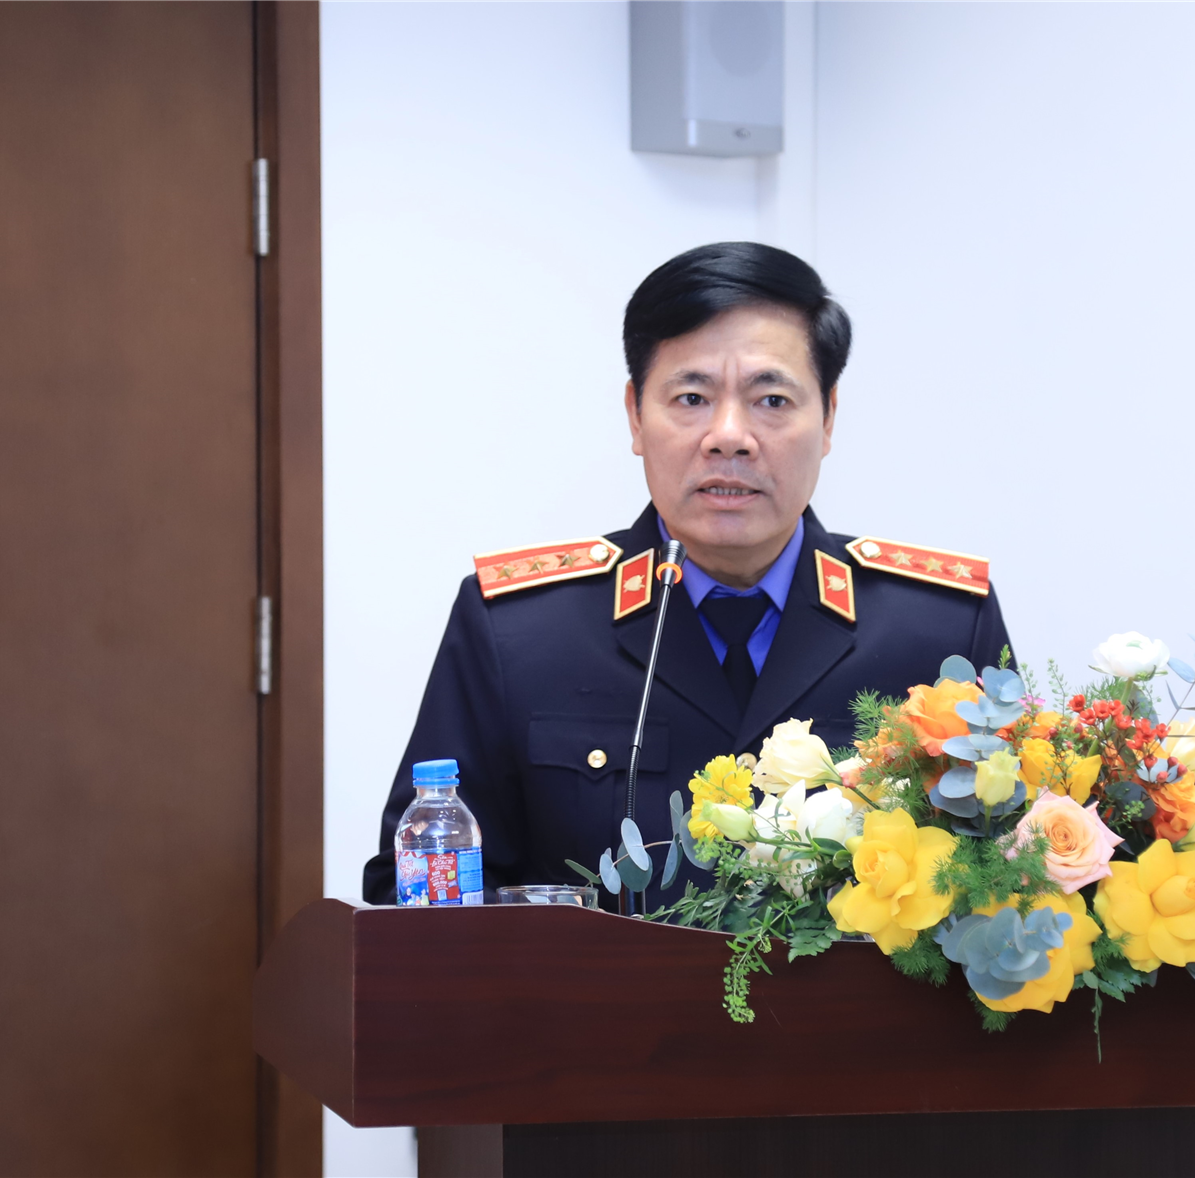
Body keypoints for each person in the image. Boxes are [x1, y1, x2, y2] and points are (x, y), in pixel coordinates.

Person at [362, 242, 1012, 904]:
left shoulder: (941, 629)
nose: (729, 436)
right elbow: (416, 894)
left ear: (828, 418)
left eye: (772, 400)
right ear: (635, 415)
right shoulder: (517, 631)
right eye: (692, 397)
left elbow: (1010, 876)